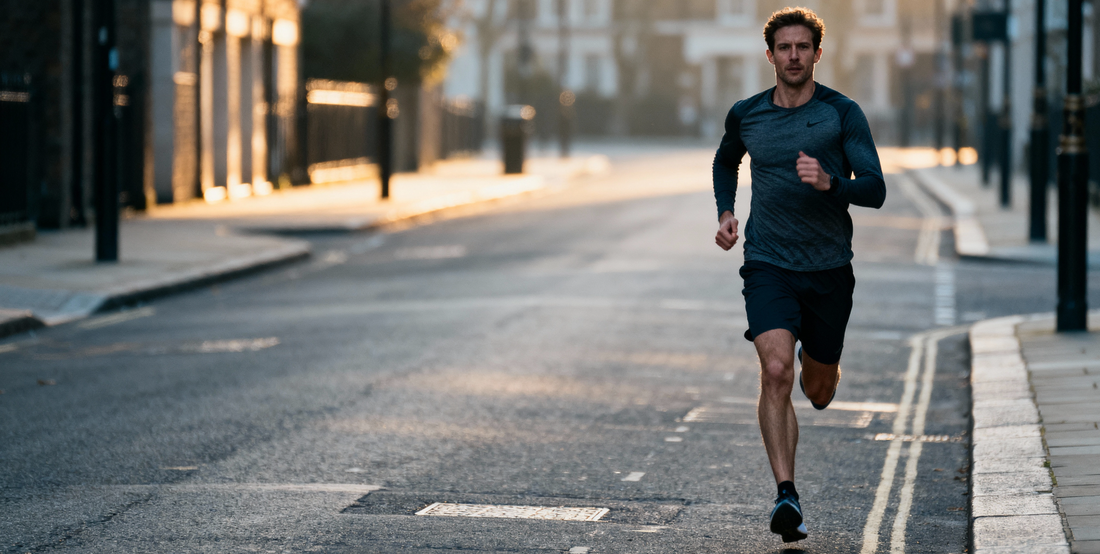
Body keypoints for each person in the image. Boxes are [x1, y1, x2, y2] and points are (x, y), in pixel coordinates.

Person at [711, 6, 886, 543]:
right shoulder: (747, 114)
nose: (793, 56)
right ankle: (786, 494)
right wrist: (724, 210)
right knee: (777, 370)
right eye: (783, 48)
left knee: (818, 389)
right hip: (768, 263)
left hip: (829, 269)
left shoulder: (841, 113)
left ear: (816, 52)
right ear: (770, 55)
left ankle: (822, 359)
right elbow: (725, 160)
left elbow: (874, 189)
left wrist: (832, 183)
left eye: (802, 48)